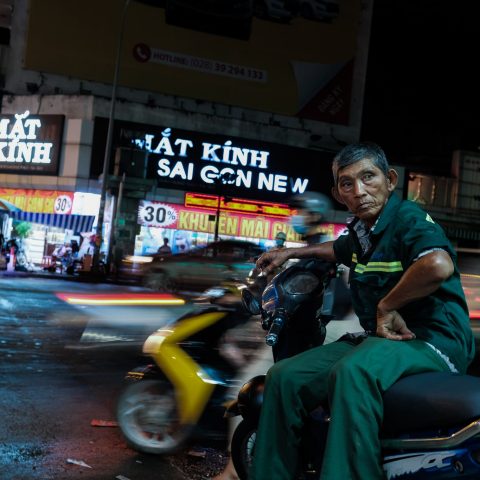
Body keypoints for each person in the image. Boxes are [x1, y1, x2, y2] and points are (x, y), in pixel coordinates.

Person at [250, 142, 475, 480]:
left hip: (431, 340)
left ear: (390, 180)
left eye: (368, 177)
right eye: (347, 183)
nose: (359, 191)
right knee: (284, 377)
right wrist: (289, 254)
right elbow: (337, 250)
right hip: (384, 340)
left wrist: (388, 305)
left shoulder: (407, 218)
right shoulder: (362, 231)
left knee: (353, 371)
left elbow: (438, 264)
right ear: (338, 193)